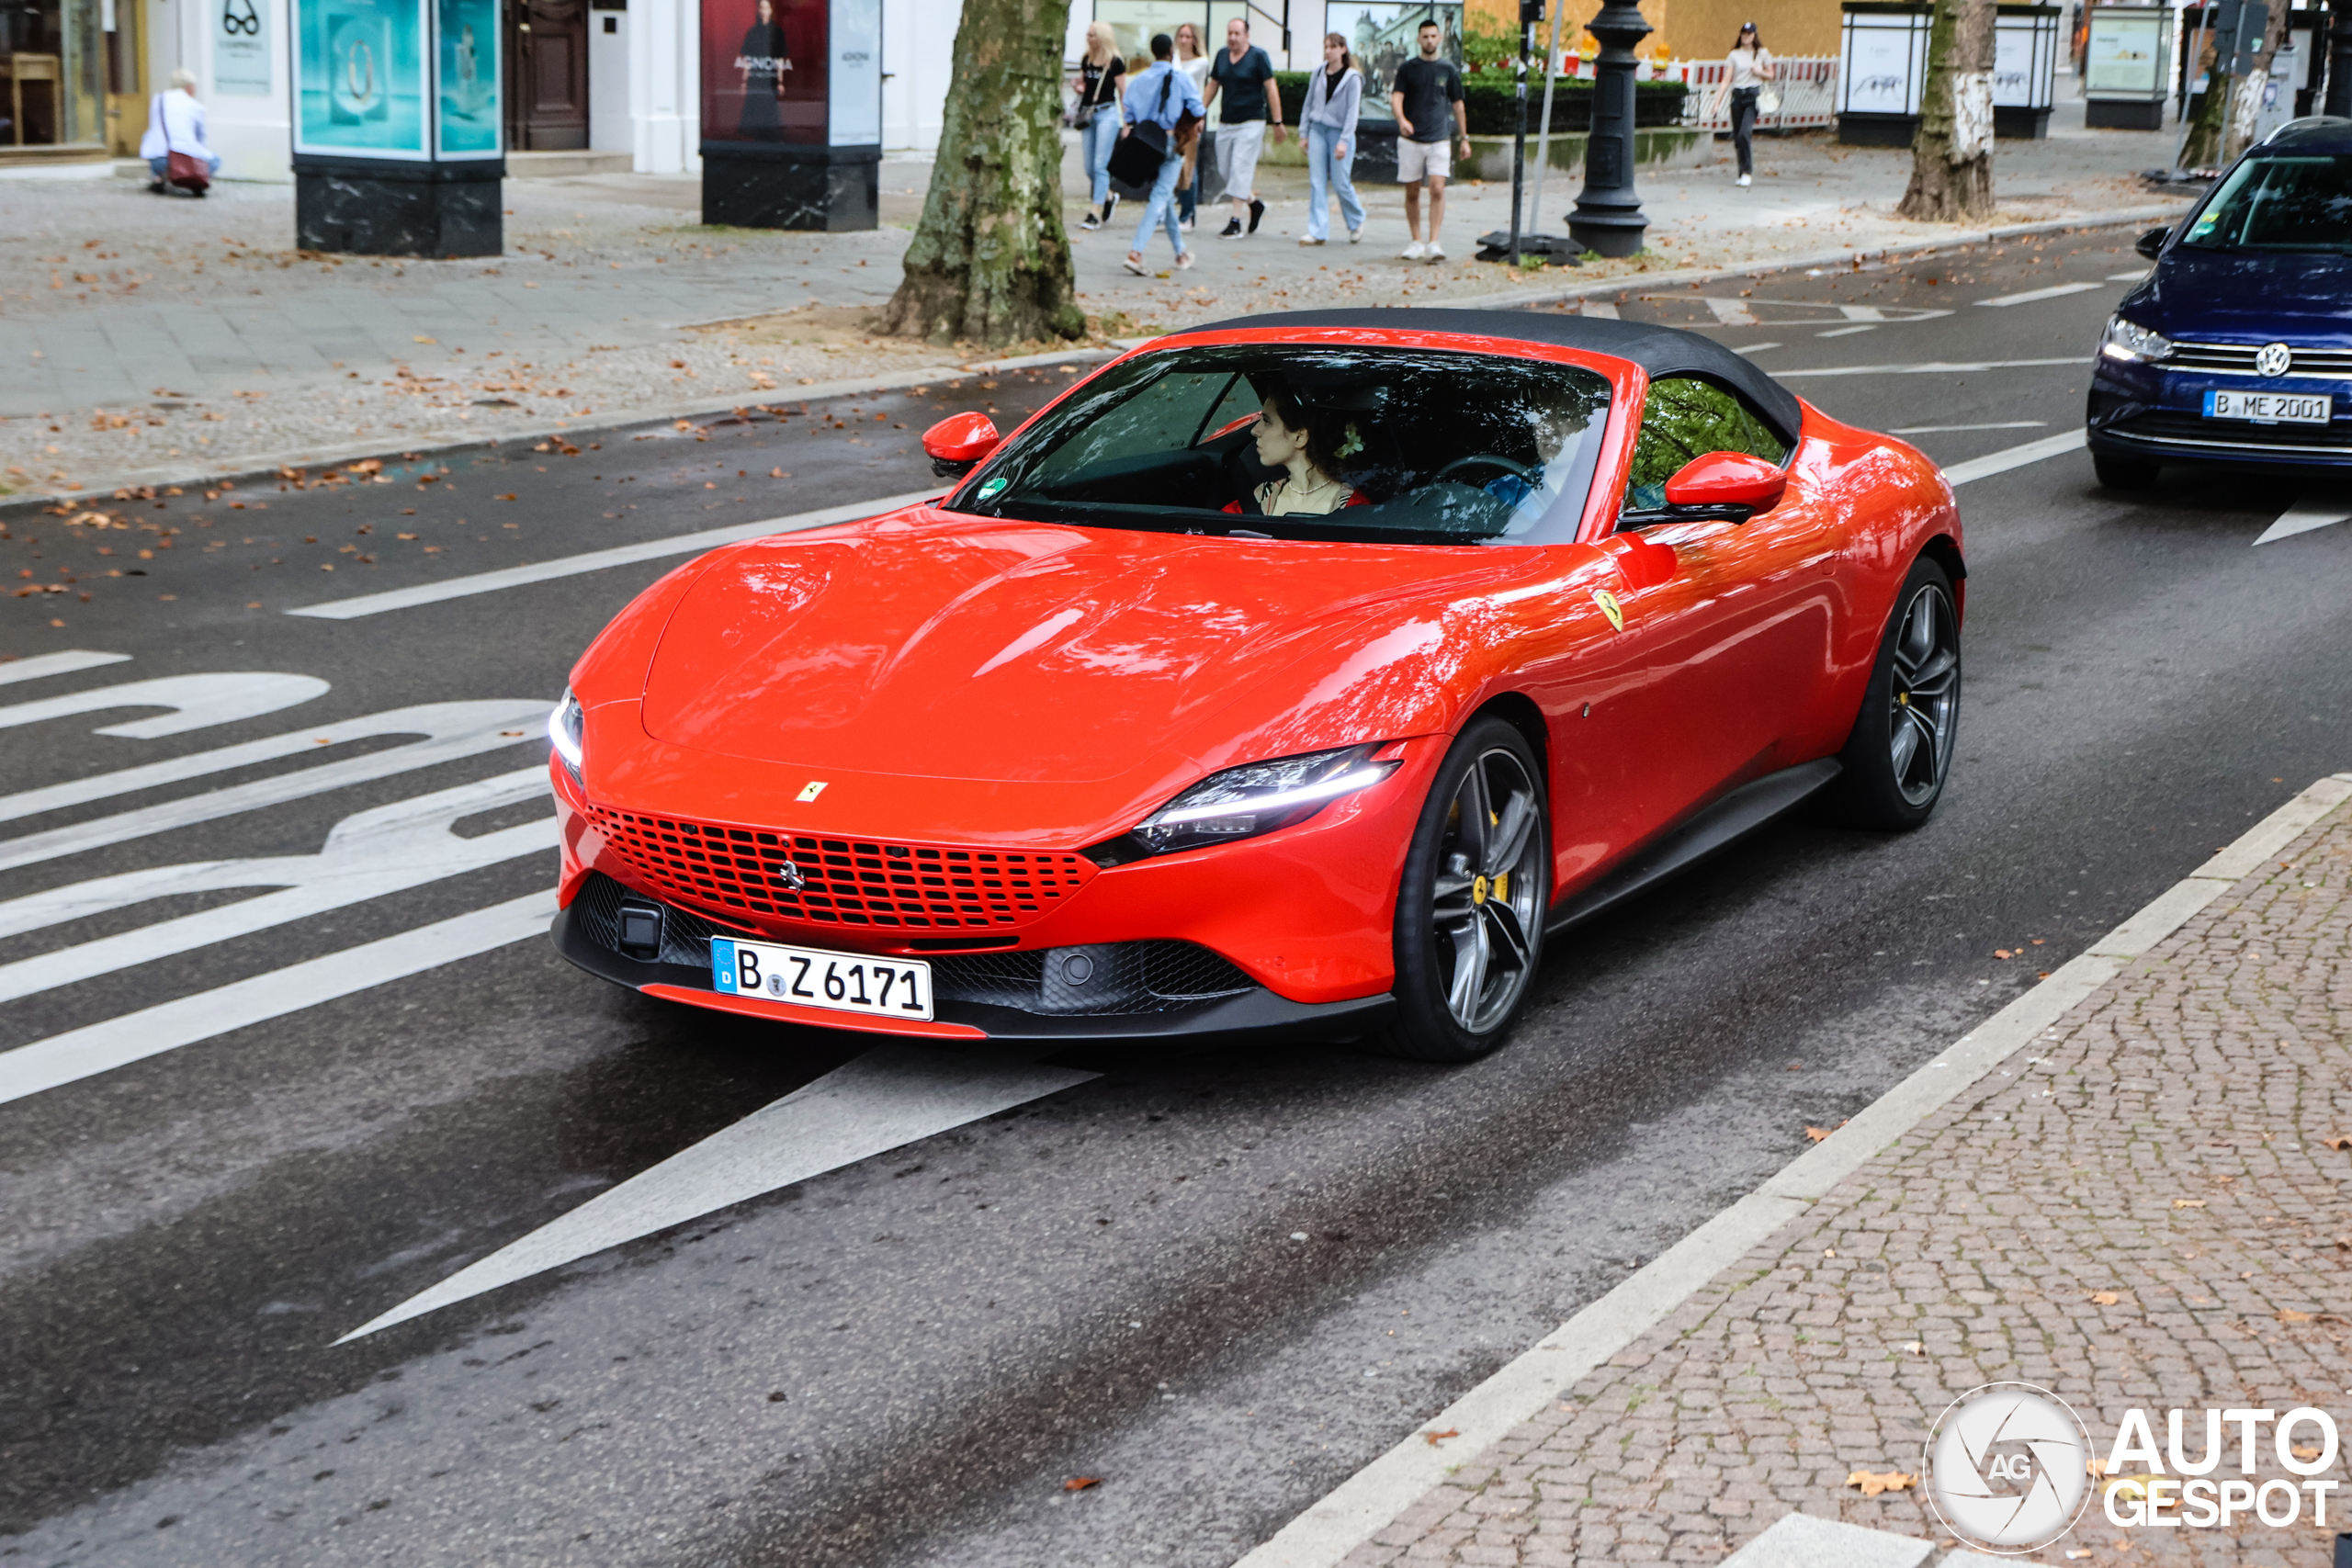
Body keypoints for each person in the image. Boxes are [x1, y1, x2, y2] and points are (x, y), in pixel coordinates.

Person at [1121, 32, 1206, 276]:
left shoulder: (1138, 80)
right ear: (1171, 52)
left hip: (1144, 143)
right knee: (1160, 195)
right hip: (1170, 141)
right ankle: (1136, 251)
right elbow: (1198, 109)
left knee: (1165, 197)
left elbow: (1128, 115)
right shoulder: (1181, 79)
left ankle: (1180, 253)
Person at [1389, 20, 1469, 262]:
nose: (1430, 41)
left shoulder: (1448, 69)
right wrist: (1401, 119)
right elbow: (1396, 97)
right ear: (1418, 39)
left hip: (1439, 138)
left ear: (1440, 37)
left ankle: (1434, 242)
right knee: (1412, 192)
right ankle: (1416, 241)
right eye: (1425, 36)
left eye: (1433, 36)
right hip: (1412, 139)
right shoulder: (1408, 68)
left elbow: (1458, 104)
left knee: (1437, 187)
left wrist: (1464, 138)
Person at [1200, 17, 1284, 237]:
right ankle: (1254, 204)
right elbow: (1213, 86)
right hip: (1227, 121)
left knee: (1240, 169)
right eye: (1230, 33)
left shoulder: (1258, 57)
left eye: (1237, 33)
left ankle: (1235, 221)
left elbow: (1271, 88)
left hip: (1251, 122)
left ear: (1247, 35)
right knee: (1226, 171)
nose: (1233, 38)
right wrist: (1199, 115)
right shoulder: (1221, 56)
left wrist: (1278, 122)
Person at [1232, 386, 1363, 516]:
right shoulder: (1257, 500)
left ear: (1299, 437)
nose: (1254, 431)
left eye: (1267, 421)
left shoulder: (1355, 510)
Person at [1299, 33, 1365, 245]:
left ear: (1343, 49)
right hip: (1318, 129)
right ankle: (1318, 230)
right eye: (1326, 46)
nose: (1328, 51)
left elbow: (1352, 112)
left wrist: (1344, 141)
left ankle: (1356, 220)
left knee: (1340, 181)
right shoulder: (1318, 73)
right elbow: (1308, 104)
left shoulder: (1352, 78)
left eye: (1333, 47)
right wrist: (1304, 133)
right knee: (1317, 181)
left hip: (1339, 132)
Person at [1071, 21, 1126, 230]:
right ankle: (1109, 197)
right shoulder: (1086, 59)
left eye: (1092, 35)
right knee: (1089, 167)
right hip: (1088, 114)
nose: (1088, 38)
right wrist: (1078, 87)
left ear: (1102, 37)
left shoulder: (1115, 62)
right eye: (1088, 34)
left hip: (1107, 114)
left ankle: (1095, 210)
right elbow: (1086, 85)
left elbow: (1123, 92)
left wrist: (1127, 121)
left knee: (1100, 165)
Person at [140, 67, 220, 195]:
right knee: (216, 161)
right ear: (189, 87)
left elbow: (154, 128)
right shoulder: (196, 107)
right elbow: (201, 138)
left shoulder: (158, 100)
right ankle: (195, 180)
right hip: (184, 160)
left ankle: (159, 178)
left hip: (160, 160)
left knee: (147, 136)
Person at [731, 0, 791, 139]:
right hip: (755, 80)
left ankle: (772, 138)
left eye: (765, 8)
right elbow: (748, 59)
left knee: (770, 109)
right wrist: (744, 81)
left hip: (770, 80)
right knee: (753, 109)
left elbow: (780, 59)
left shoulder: (777, 32)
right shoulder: (752, 32)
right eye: (760, 8)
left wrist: (781, 81)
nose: (762, 11)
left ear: (771, 10)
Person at [1172, 21, 1211, 231]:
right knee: (1171, 165)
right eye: (1181, 36)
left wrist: (1173, 58)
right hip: (1172, 118)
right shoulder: (1174, 59)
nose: (1184, 41)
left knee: (1189, 166)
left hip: (1189, 118)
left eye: (1188, 37)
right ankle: (1171, 210)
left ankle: (1188, 214)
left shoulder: (1201, 62)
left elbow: (1179, 77)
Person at [1726, 22, 1775, 187]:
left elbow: (1771, 74)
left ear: (1754, 35)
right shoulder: (1734, 55)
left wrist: (1759, 72)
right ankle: (1741, 172)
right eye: (1743, 33)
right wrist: (1716, 102)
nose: (1745, 36)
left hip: (1753, 96)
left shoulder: (1762, 53)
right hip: (1738, 95)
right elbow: (1727, 79)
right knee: (1737, 137)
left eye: (1749, 33)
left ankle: (1747, 171)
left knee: (1744, 133)